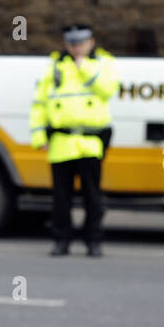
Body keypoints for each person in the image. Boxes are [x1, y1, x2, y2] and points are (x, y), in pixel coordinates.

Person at [30, 23, 118, 257]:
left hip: (90, 142)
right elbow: (40, 102)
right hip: (61, 142)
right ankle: (61, 241)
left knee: (93, 197)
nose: (76, 48)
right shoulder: (55, 65)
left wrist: (84, 67)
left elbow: (108, 89)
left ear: (91, 42)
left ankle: (93, 242)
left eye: (80, 43)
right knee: (61, 199)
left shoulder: (103, 63)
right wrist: (39, 136)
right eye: (71, 44)